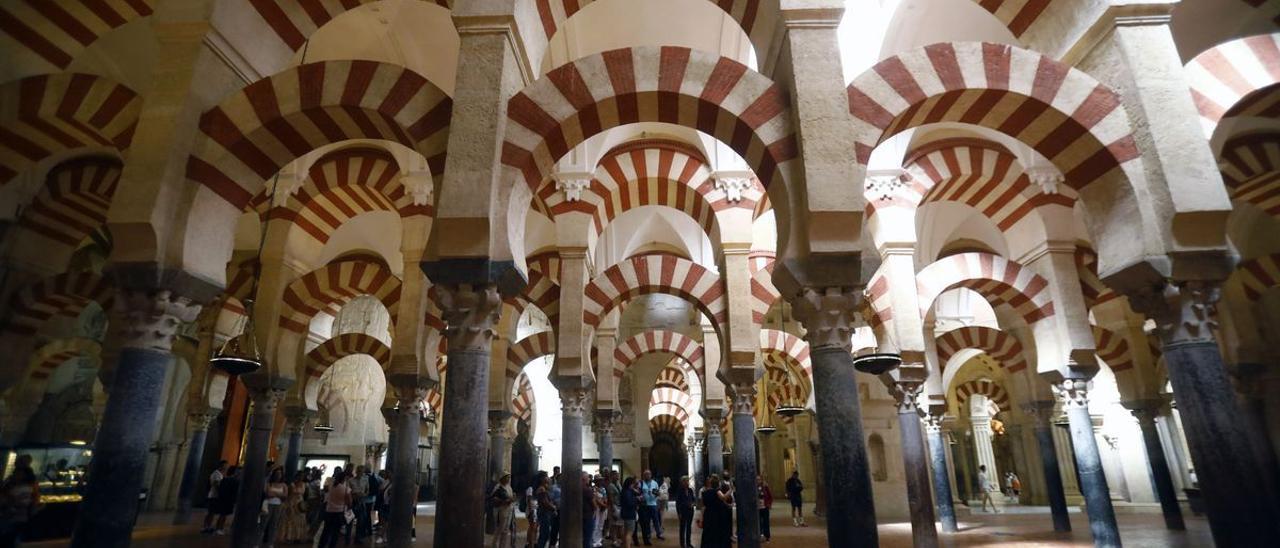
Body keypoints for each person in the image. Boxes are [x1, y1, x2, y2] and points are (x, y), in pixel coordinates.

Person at [0, 459, 40, 546]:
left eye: (18, 474)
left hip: (15, 517)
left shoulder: (26, 487)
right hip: (10, 516)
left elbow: (25, 502)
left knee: (9, 538)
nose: (15, 475)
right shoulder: (10, 482)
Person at [319, 469, 352, 548]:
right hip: (339, 512)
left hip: (329, 510)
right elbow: (349, 502)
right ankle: (332, 546)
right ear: (344, 479)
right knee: (335, 532)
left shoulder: (332, 485)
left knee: (326, 530)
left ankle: (321, 545)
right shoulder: (345, 489)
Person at [699, 477, 732, 548]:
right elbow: (723, 498)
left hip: (708, 515)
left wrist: (701, 519)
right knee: (717, 533)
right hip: (717, 515)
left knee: (708, 533)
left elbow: (703, 506)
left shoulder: (704, 492)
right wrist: (730, 490)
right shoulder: (717, 491)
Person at [279, 471, 310, 544]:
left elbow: (306, 495)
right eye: (300, 476)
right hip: (292, 503)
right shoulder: (292, 484)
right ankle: (289, 537)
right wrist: (287, 505)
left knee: (300, 520)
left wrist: (305, 504)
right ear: (296, 476)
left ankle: (298, 537)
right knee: (291, 520)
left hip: (300, 503)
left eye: (302, 476)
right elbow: (288, 495)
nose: (301, 478)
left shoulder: (304, 484)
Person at [262, 466, 289, 547]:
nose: (278, 475)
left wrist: (274, 494)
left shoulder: (284, 485)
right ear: (273, 475)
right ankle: (257, 542)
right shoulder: (269, 483)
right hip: (268, 505)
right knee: (263, 524)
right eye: (276, 474)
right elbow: (267, 494)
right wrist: (278, 494)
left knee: (273, 525)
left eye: (280, 474)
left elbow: (285, 496)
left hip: (278, 506)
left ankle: (270, 543)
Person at [209, 465, 240, 535]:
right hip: (228, 499)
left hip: (223, 498)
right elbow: (234, 491)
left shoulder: (224, 479)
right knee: (223, 515)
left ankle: (219, 528)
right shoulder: (233, 480)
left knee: (223, 514)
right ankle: (219, 528)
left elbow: (220, 488)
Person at [490, 473, 516, 548]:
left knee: (506, 530)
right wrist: (504, 501)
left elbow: (511, 498)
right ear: (503, 478)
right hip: (501, 511)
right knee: (499, 529)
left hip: (509, 510)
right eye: (507, 477)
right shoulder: (498, 487)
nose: (509, 479)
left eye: (509, 477)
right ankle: (494, 545)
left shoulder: (508, 487)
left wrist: (512, 498)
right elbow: (493, 499)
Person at [201, 460, 227, 534]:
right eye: (225, 466)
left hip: (215, 495)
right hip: (213, 495)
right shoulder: (216, 474)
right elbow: (216, 484)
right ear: (221, 466)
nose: (226, 467)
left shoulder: (220, 474)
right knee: (211, 512)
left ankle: (207, 526)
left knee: (212, 512)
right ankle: (205, 527)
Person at [635, 470, 660, 545]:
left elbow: (657, 492)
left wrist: (655, 494)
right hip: (644, 505)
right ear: (643, 475)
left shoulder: (654, 483)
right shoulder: (640, 483)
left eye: (648, 474)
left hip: (653, 503)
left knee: (656, 519)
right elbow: (638, 492)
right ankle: (648, 534)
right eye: (645, 474)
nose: (647, 476)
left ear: (651, 475)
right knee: (646, 521)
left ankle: (658, 533)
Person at [349, 465, 372, 543]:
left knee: (361, 521)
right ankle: (347, 537)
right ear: (356, 471)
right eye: (359, 471)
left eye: (362, 472)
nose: (360, 473)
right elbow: (348, 491)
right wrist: (353, 494)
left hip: (362, 501)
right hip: (353, 501)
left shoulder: (366, 479)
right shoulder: (351, 480)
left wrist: (364, 495)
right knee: (350, 519)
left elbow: (367, 490)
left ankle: (358, 537)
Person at [535, 472, 558, 548]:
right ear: (542, 479)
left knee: (545, 533)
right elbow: (545, 502)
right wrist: (553, 507)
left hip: (545, 512)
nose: (548, 478)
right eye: (546, 477)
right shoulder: (541, 489)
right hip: (544, 513)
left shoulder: (545, 488)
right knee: (544, 534)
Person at [674, 476, 696, 548]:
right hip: (683, 511)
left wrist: (692, 504)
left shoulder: (690, 490)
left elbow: (693, 499)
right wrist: (679, 513)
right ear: (682, 482)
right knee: (682, 528)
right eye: (685, 481)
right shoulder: (679, 491)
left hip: (690, 511)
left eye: (688, 481)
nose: (687, 482)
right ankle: (682, 544)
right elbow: (677, 503)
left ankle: (688, 543)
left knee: (689, 527)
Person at [619, 477, 639, 548]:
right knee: (629, 532)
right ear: (630, 484)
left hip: (624, 513)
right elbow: (629, 503)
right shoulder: (628, 492)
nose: (634, 485)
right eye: (633, 483)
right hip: (629, 513)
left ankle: (625, 545)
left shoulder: (625, 491)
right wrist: (636, 499)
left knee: (626, 532)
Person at [591, 475, 608, 548]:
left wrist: (605, 505)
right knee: (596, 524)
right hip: (596, 508)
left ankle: (599, 540)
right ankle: (594, 540)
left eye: (601, 480)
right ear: (596, 481)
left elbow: (605, 497)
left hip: (603, 508)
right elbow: (596, 499)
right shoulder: (593, 489)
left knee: (601, 525)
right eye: (599, 480)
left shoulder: (603, 489)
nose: (601, 481)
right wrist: (603, 505)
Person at [581, 473, 596, 548]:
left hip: (580, 515)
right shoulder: (587, 490)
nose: (589, 479)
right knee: (588, 537)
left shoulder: (576, 489)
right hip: (588, 515)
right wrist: (595, 509)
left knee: (582, 536)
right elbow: (594, 504)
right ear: (584, 479)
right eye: (588, 478)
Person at [524, 475, 539, 548]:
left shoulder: (537, 489)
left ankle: (532, 542)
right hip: (532, 510)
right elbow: (529, 501)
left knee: (535, 528)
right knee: (532, 527)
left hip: (536, 510)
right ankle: (530, 544)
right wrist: (531, 512)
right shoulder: (530, 488)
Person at [757, 475, 773, 542]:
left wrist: (769, 504)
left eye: (759, 479)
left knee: (766, 522)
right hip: (758, 508)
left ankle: (767, 536)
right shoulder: (754, 488)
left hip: (765, 507)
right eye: (757, 480)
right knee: (759, 522)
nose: (758, 481)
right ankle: (760, 535)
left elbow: (770, 496)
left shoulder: (765, 487)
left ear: (761, 480)